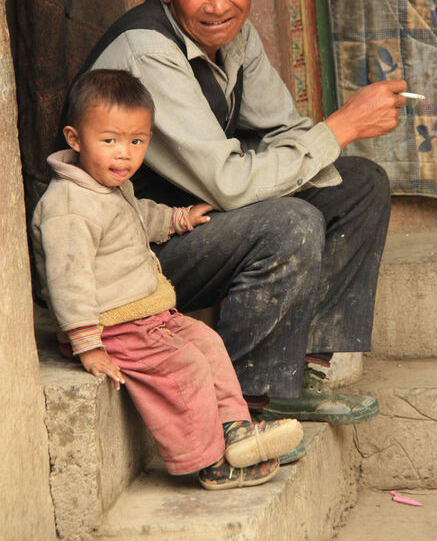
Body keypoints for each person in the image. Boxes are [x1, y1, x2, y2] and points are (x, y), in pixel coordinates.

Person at [60, 0, 409, 424]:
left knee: (358, 182)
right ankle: (247, 400)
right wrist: (342, 126)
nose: (217, 3)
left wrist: (319, 143)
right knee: (290, 221)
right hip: (137, 255)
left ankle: (304, 372)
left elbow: (285, 131)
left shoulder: (234, 36)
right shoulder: (147, 52)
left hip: (198, 223)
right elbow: (228, 183)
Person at [33, 69, 304, 490]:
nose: (124, 154)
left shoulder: (108, 185)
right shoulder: (68, 205)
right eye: (110, 141)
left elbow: (139, 215)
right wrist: (87, 344)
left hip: (148, 316)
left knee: (209, 345)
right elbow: (69, 279)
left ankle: (236, 430)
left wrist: (177, 219)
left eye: (137, 141)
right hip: (112, 326)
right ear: (74, 138)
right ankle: (211, 463)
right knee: (185, 368)